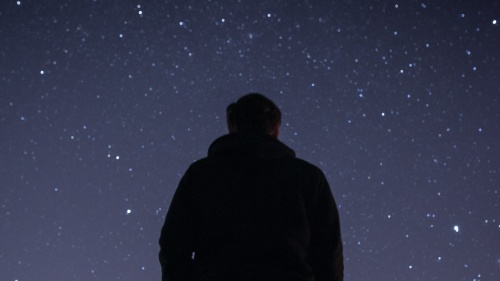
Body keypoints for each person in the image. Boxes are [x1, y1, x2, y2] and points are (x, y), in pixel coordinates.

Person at [159, 93, 344, 281]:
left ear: (232, 127)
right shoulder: (309, 177)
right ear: (275, 128)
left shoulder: (201, 174)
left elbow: (174, 245)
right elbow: (328, 255)